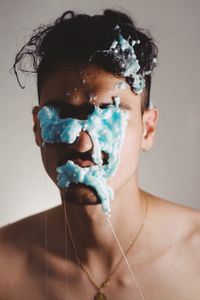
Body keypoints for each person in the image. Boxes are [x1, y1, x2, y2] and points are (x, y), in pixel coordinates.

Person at [0, 9, 199, 300]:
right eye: (61, 116)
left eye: (108, 117)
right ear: (38, 128)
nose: (82, 144)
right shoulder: (5, 266)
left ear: (148, 129)